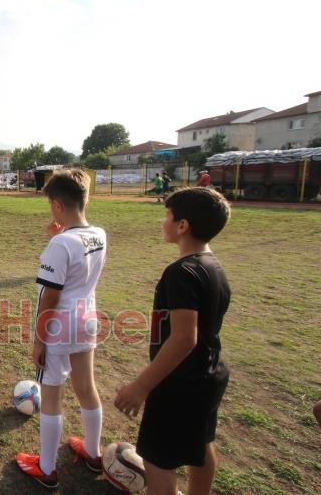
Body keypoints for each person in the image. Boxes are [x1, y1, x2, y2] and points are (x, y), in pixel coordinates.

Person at [114, 187, 231, 495]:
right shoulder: (214, 266)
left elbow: (183, 339)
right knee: (200, 443)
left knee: (158, 461)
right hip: (210, 373)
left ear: (183, 226)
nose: (162, 222)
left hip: (180, 383)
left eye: (167, 216)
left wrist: (141, 386)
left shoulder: (181, 272)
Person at [16, 169, 108, 491]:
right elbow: (75, 263)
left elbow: (51, 296)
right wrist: (57, 238)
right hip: (87, 318)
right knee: (86, 386)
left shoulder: (60, 245)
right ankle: (94, 453)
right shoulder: (99, 234)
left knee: (52, 395)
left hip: (59, 325)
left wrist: (40, 339)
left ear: (57, 205)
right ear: (86, 198)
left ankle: (46, 468)